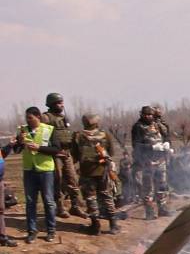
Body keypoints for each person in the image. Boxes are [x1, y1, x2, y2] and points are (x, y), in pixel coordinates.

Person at [16, 106, 61, 242]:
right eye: (26, 118)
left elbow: (56, 149)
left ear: (38, 117)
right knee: (30, 202)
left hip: (46, 170)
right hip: (29, 170)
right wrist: (19, 141)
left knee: (48, 201)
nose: (28, 121)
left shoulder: (49, 129)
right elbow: (17, 150)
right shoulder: (22, 131)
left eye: (30, 118)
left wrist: (39, 148)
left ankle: (51, 230)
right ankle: (32, 231)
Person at [72, 113, 119, 235]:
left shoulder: (78, 136)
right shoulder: (105, 134)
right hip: (103, 171)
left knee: (91, 198)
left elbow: (75, 156)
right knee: (107, 196)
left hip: (87, 172)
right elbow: (111, 153)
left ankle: (95, 226)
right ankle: (114, 225)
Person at [43, 93, 86, 219]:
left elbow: (67, 134)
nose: (61, 105)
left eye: (62, 102)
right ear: (51, 104)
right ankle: (60, 207)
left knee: (73, 179)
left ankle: (75, 206)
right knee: (58, 179)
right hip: (55, 153)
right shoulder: (46, 117)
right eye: (58, 103)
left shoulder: (63, 118)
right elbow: (44, 137)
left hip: (67, 153)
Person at [129, 105, 170, 219]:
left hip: (160, 159)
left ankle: (162, 208)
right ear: (141, 114)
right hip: (147, 161)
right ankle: (150, 212)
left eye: (150, 114)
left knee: (162, 184)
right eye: (146, 114)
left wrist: (166, 145)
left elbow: (165, 136)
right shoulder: (138, 127)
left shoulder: (157, 124)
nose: (148, 116)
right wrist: (151, 147)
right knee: (148, 187)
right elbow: (136, 145)